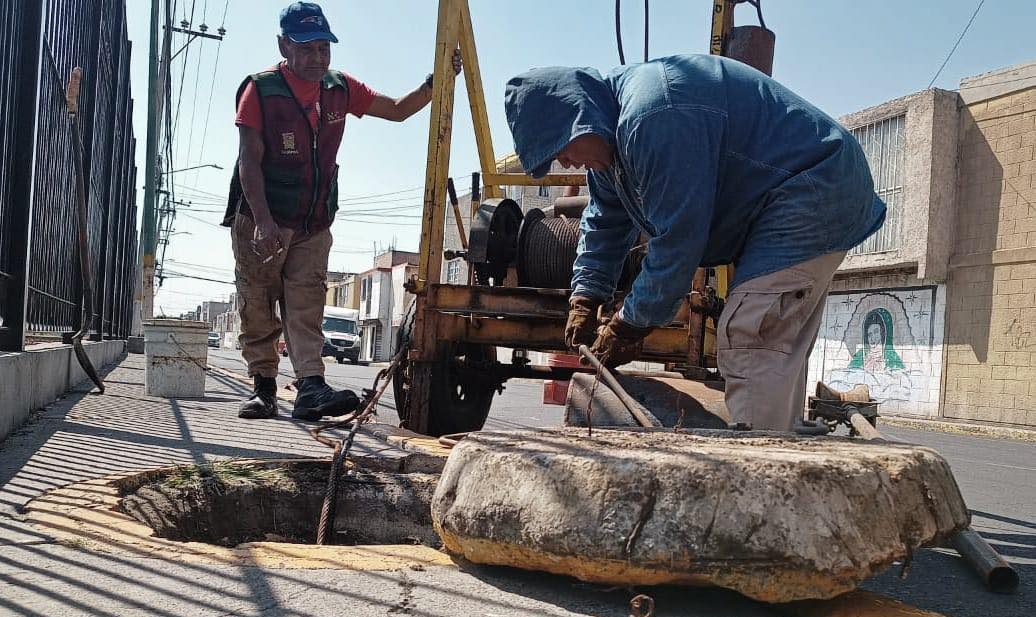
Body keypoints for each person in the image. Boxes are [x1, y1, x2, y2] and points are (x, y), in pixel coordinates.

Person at [504, 55, 886, 431]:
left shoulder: (651, 117)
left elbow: (678, 242)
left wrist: (629, 324)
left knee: (749, 331)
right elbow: (604, 221)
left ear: (578, 116)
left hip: (814, 188)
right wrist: (585, 297)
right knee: (770, 344)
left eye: (561, 148)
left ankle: (756, 474)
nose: (565, 163)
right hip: (804, 191)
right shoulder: (610, 150)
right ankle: (778, 444)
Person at [225, 2, 461, 420]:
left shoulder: (339, 87)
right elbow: (248, 160)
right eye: (307, 48)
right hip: (261, 217)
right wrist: (261, 221)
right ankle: (263, 388)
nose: (318, 58)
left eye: (324, 48)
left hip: (313, 221)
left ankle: (310, 389)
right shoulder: (259, 90)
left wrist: (434, 82)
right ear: (284, 45)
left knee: (307, 303)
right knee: (258, 304)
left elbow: (396, 110)